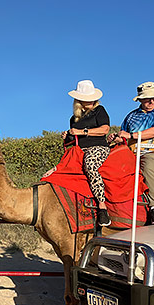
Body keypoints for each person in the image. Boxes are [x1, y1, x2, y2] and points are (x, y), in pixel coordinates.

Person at [109, 82, 154, 224]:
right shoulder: (131, 116)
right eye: (147, 98)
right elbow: (124, 136)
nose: (151, 101)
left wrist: (131, 136)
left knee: (148, 167)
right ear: (140, 100)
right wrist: (116, 138)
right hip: (131, 153)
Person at [64, 80, 112, 227]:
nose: (90, 101)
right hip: (79, 149)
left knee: (90, 164)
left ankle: (102, 206)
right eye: (86, 99)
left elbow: (105, 129)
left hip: (97, 147)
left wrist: (82, 132)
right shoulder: (74, 119)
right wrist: (68, 135)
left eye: (91, 98)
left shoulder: (100, 111)